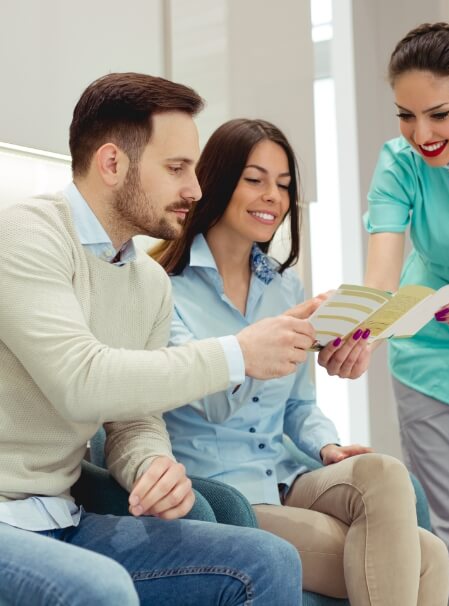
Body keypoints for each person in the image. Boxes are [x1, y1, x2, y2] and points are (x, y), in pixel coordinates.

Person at [0, 73, 312, 606]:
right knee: (100, 589)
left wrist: (150, 465)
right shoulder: (27, 236)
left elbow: (134, 418)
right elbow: (83, 381)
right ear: (113, 163)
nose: (195, 188)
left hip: (63, 517)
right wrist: (236, 353)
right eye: (177, 168)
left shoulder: (147, 282)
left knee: (267, 559)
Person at [152, 118, 449, 605]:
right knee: (427, 559)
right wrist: (264, 342)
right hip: (223, 494)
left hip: (287, 475)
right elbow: (211, 405)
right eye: (255, 179)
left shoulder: (284, 287)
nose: (273, 195)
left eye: (284, 184)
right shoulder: (163, 288)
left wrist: (327, 446)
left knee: (386, 474)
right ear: (217, 180)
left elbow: (298, 406)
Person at [362, 22, 449, 606]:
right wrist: (358, 333)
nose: (420, 134)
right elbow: (380, 277)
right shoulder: (398, 164)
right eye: (405, 115)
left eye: (438, 114)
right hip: (428, 352)